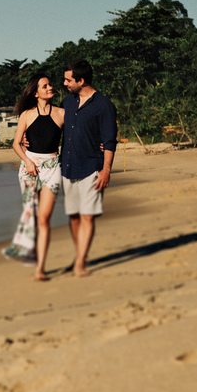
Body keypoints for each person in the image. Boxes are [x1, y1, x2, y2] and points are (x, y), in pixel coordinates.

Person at [2, 73, 65, 280]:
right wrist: (28, 161)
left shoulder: (62, 113)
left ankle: (40, 268)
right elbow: (16, 143)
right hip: (29, 168)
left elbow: (78, 132)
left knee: (44, 219)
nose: (50, 87)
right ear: (36, 92)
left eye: (50, 84)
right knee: (33, 216)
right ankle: (29, 253)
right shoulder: (27, 115)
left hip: (53, 167)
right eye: (45, 86)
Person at [59, 60, 117, 276]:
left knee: (87, 216)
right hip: (68, 166)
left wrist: (106, 169)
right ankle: (80, 253)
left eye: (68, 80)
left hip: (92, 167)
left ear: (81, 80)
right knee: (73, 215)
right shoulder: (67, 102)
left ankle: (80, 263)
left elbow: (109, 140)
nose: (64, 83)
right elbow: (52, 124)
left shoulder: (104, 106)